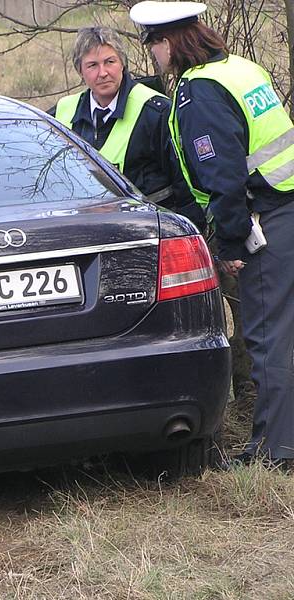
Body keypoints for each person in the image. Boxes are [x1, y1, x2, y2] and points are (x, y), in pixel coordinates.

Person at [131, 0, 294, 467]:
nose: (155, 57)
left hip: (263, 218)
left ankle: (275, 450)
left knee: (266, 339)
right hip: (285, 204)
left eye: (154, 46)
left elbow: (224, 177)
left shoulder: (199, 92)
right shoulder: (240, 68)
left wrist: (228, 241)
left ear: (168, 43)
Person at [50, 26, 205, 230]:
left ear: (122, 63)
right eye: (92, 65)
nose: (103, 73)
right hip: (85, 230)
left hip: (151, 230)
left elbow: (186, 184)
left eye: (110, 62)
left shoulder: (156, 111)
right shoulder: (61, 112)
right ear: (80, 71)